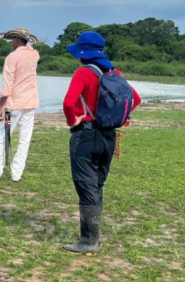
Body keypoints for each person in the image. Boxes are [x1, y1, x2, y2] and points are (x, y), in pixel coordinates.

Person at [61, 31, 141, 255]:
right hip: (109, 136)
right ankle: (94, 236)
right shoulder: (114, 73)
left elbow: (68, 103)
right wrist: (118, 117)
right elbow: (136, 98)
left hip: (85, 135)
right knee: (96, 184)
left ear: (82, 54)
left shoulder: (83, 73)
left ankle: (89, 241)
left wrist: (73, 119)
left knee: (85, 185)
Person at [0, 28, 40, 181]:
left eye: (12, 39)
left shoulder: (12, 57)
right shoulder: (34, 55)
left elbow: (7, 88)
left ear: (16, 40)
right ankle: (16, 174)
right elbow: (30, 47)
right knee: (25, 140)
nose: (11, 42)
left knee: (3, 137)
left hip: (13, 105)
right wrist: (11, 35)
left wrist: (0, 107)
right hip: (30, 103)